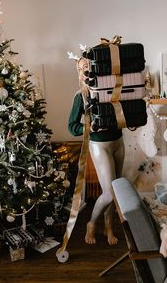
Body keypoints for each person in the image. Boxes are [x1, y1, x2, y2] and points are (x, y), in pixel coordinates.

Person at [68, 57, 125, 245]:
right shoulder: (80, 96)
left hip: (118, 142)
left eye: (89, 66)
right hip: (99, 145)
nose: (86, 70)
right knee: (108, 192)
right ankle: (92, 224)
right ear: (79, 73)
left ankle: (109, 227)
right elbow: (72, 126)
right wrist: (89, 128)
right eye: (82, 68)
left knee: (114, 190)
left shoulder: (110, 89)